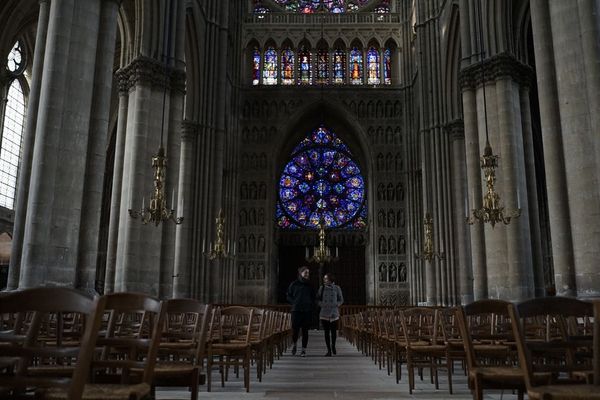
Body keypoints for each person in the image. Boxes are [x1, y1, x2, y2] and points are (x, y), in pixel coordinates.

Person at [286, 266, 316, 357]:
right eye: (305, 272)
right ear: (301, 273)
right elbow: (288, 295)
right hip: (296, 310)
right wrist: (294, 303)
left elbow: (313, 297)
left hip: (307, 311)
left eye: (308, 273)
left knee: (305, 331)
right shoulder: (294, 284)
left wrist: (311, 304)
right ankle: (294, 344)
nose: (307, 274)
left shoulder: (310, 285)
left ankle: (303, 350)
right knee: (295, 331)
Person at [317, 273, 344, 357]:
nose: (324, 280)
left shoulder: (337, 288)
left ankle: (333, 345)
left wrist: (336, 305)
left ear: (330, 280)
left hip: (334, 312)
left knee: (333, 332)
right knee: (326, 332)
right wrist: (321, 304)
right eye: (324, 279)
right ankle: (328, 350)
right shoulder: (321, 288)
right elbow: (317, 299)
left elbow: (341, 299)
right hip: (324, 313)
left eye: (326, 279)